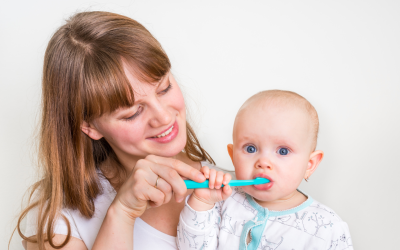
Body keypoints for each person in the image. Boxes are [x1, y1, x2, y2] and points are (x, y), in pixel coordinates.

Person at [15, 11, 233, 250]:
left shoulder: (238, 189)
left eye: (164, 88)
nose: (163, 116)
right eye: (132, 113)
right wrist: (122, 213)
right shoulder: (61, 221)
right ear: (89, 125)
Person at [177, 90, 353, 250]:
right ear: (233, 156)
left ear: (310, 165)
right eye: (250, 149)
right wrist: (201, 202)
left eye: (283, 151)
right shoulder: (221, 200)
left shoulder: (327, 228)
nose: (263, 162)